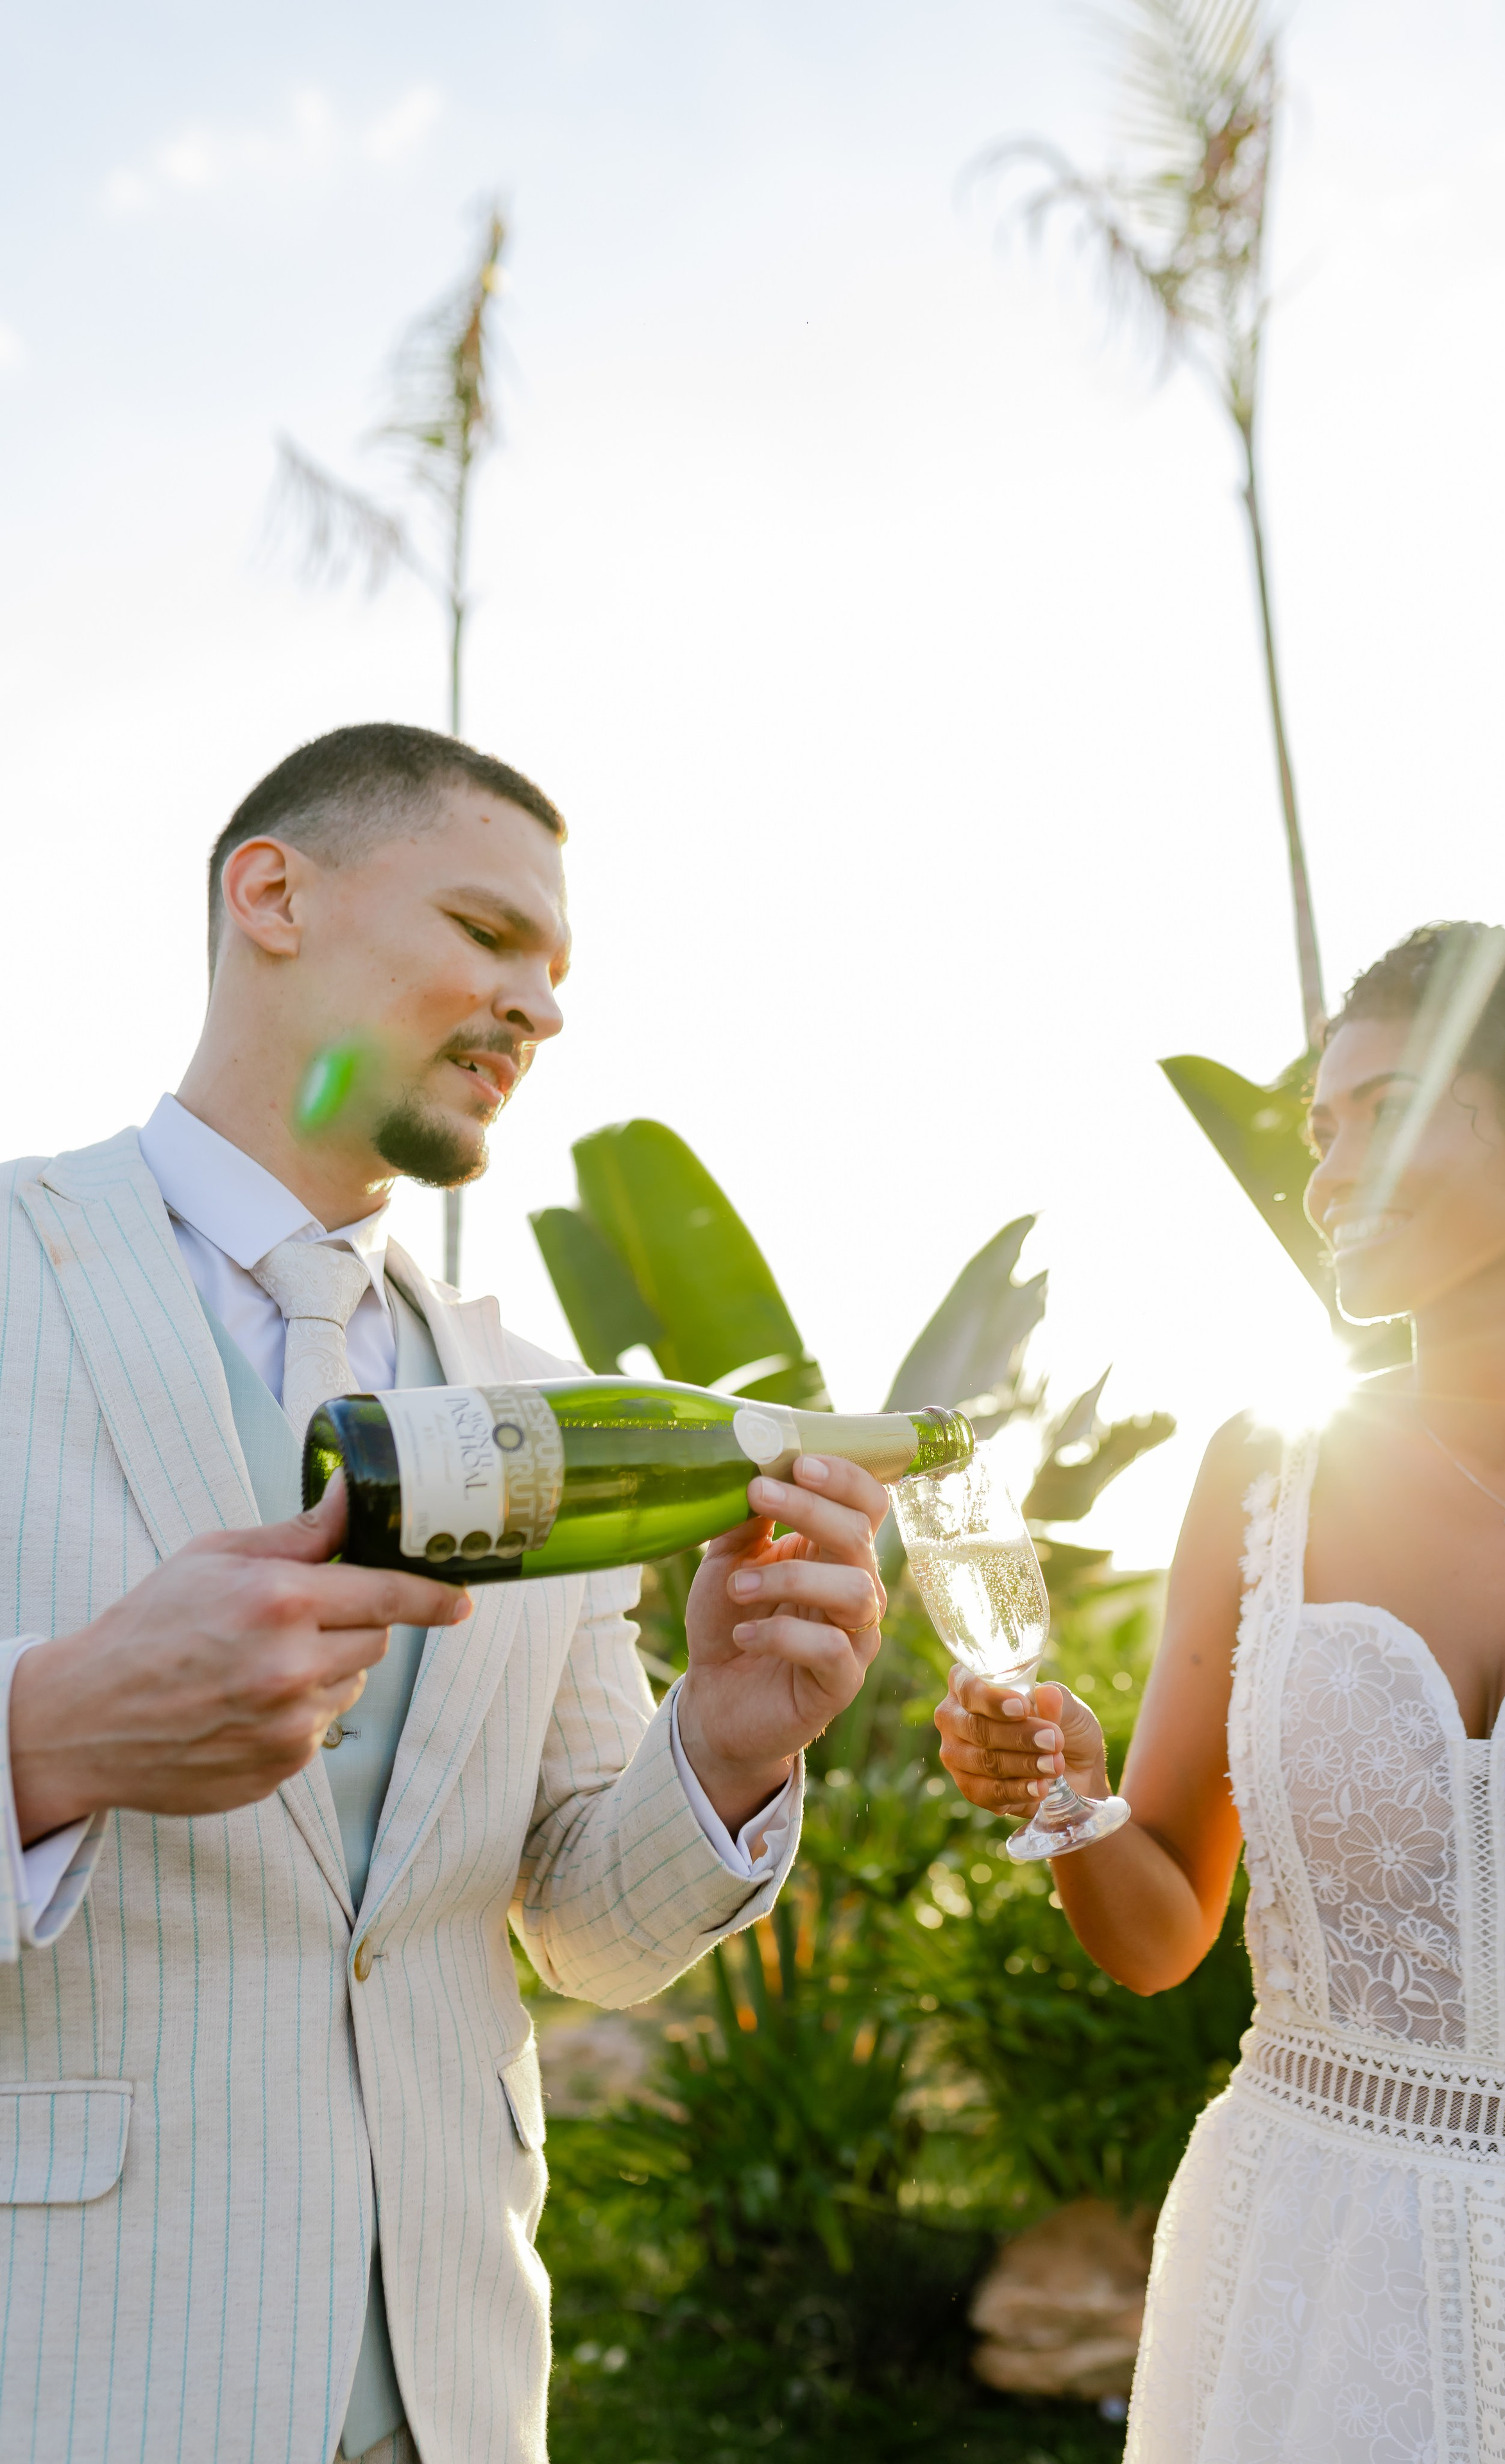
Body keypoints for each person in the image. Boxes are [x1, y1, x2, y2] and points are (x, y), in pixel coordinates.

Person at [0, 723, 890, 2464]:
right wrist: (42, 1738)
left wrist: (720, 1753)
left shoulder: (547, 1409)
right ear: (272, 894)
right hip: (69, 2371)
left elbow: (584, 1928)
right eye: (491, 936)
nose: (541, 1012)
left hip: (451, 2389)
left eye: (557, 977)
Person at [938, 921, 1505, 2460]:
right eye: (1324, 1130)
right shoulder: (1262, 1476)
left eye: (1391, 1111)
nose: (1330, 1173)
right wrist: (1058, 1791)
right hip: (1305, 2287)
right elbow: (1156, 1936)